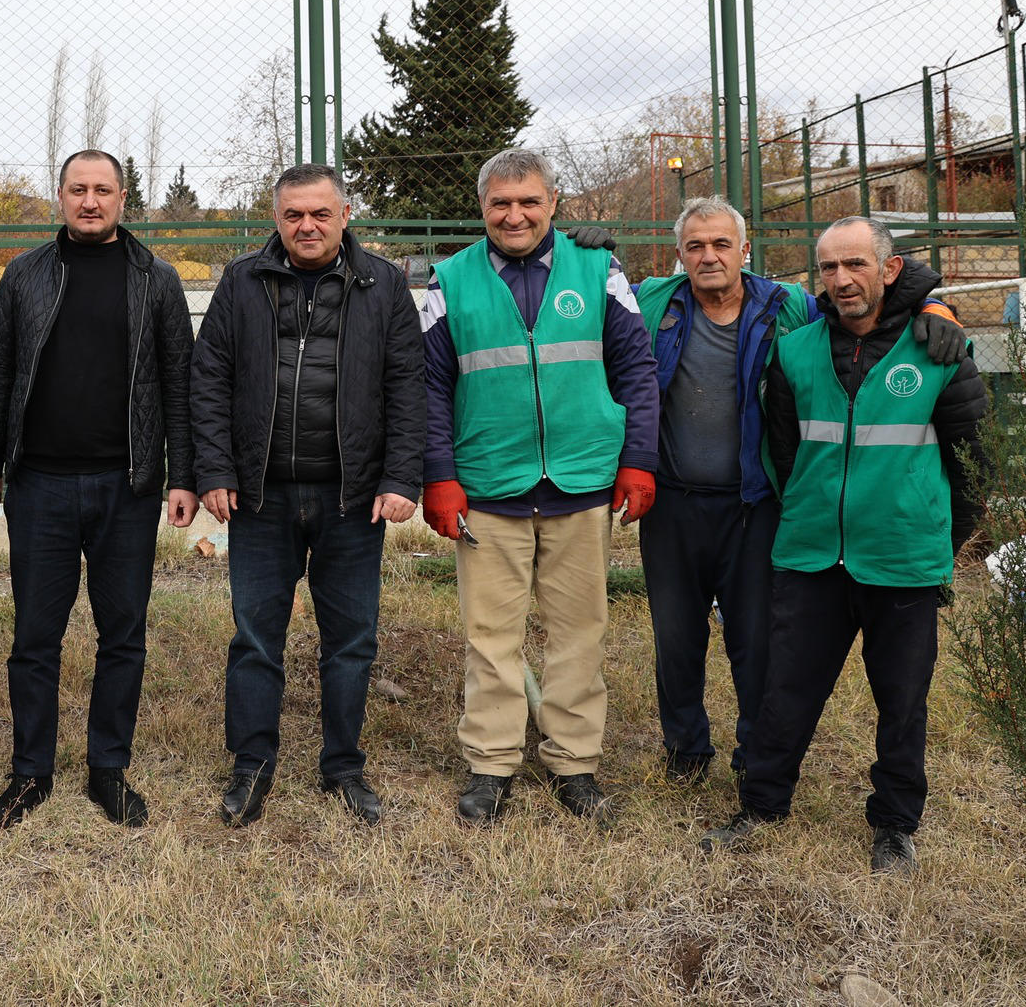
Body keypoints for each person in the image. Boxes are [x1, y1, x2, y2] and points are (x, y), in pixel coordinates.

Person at [635, 198, 967, 784]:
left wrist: (938, 303)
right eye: (694, 246)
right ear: (679, 255)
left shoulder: (785, 307)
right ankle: (686, 754)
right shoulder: (655, 302)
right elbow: (594, 301)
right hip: (673, 502)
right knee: (675, 640)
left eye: (720, 244)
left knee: (758, 644)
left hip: (755, 505)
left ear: (746, 249)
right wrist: (584, 241)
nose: (708, 256)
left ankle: (751, 757)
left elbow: (871, 294)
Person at [701, 216, 986, 874]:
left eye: (855, 264)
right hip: (811, 554)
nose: (841, 279)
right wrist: (807, 507)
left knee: (902, 697)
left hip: (903, 557)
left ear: (890, 270)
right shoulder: (796, 351)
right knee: (786, 689)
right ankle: (762, 804)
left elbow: (977, 461)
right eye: (828, 267)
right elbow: (781, 451)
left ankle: (894, 824)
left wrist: (937, 533)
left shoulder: (936, 350)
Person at [421, 148, 660, 826]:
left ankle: (573, 763)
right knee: (490, 634)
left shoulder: (599, 268)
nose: (515, 214)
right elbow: (431, 388)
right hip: (488, 485)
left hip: (582, 481)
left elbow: (638, 371)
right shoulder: (451, 280)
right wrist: (439, 475)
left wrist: (638, 458)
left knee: (579, 631)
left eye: (529, 201)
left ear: (554, 202)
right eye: (501, 203)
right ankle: (492, 763)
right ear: (483, 208)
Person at [0, 149, 198, 830]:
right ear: (59, 195)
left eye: (103, 189)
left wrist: (180, 473)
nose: (89, 201)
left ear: (124, 197)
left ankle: (108, 769)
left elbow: (179, 385)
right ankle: (29, 770)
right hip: (39, 486)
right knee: (35, 636)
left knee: (122, 633)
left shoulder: (156, 279)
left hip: (127, 488)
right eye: (77, 189)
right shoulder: (26, 274)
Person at [190, 164, 424, 827]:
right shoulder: (242, 281)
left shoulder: (382, 284)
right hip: (260, 498)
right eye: (293, 214)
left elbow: (408, 386)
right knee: (256, 636)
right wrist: (214, 469)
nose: (307, 226)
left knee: (351, 640)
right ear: (277, 217)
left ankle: (343, 765)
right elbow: (209, 379)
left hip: (353, 499)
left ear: (345, 214)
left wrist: (402, 478)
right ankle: (252, 763)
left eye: (320, 213)